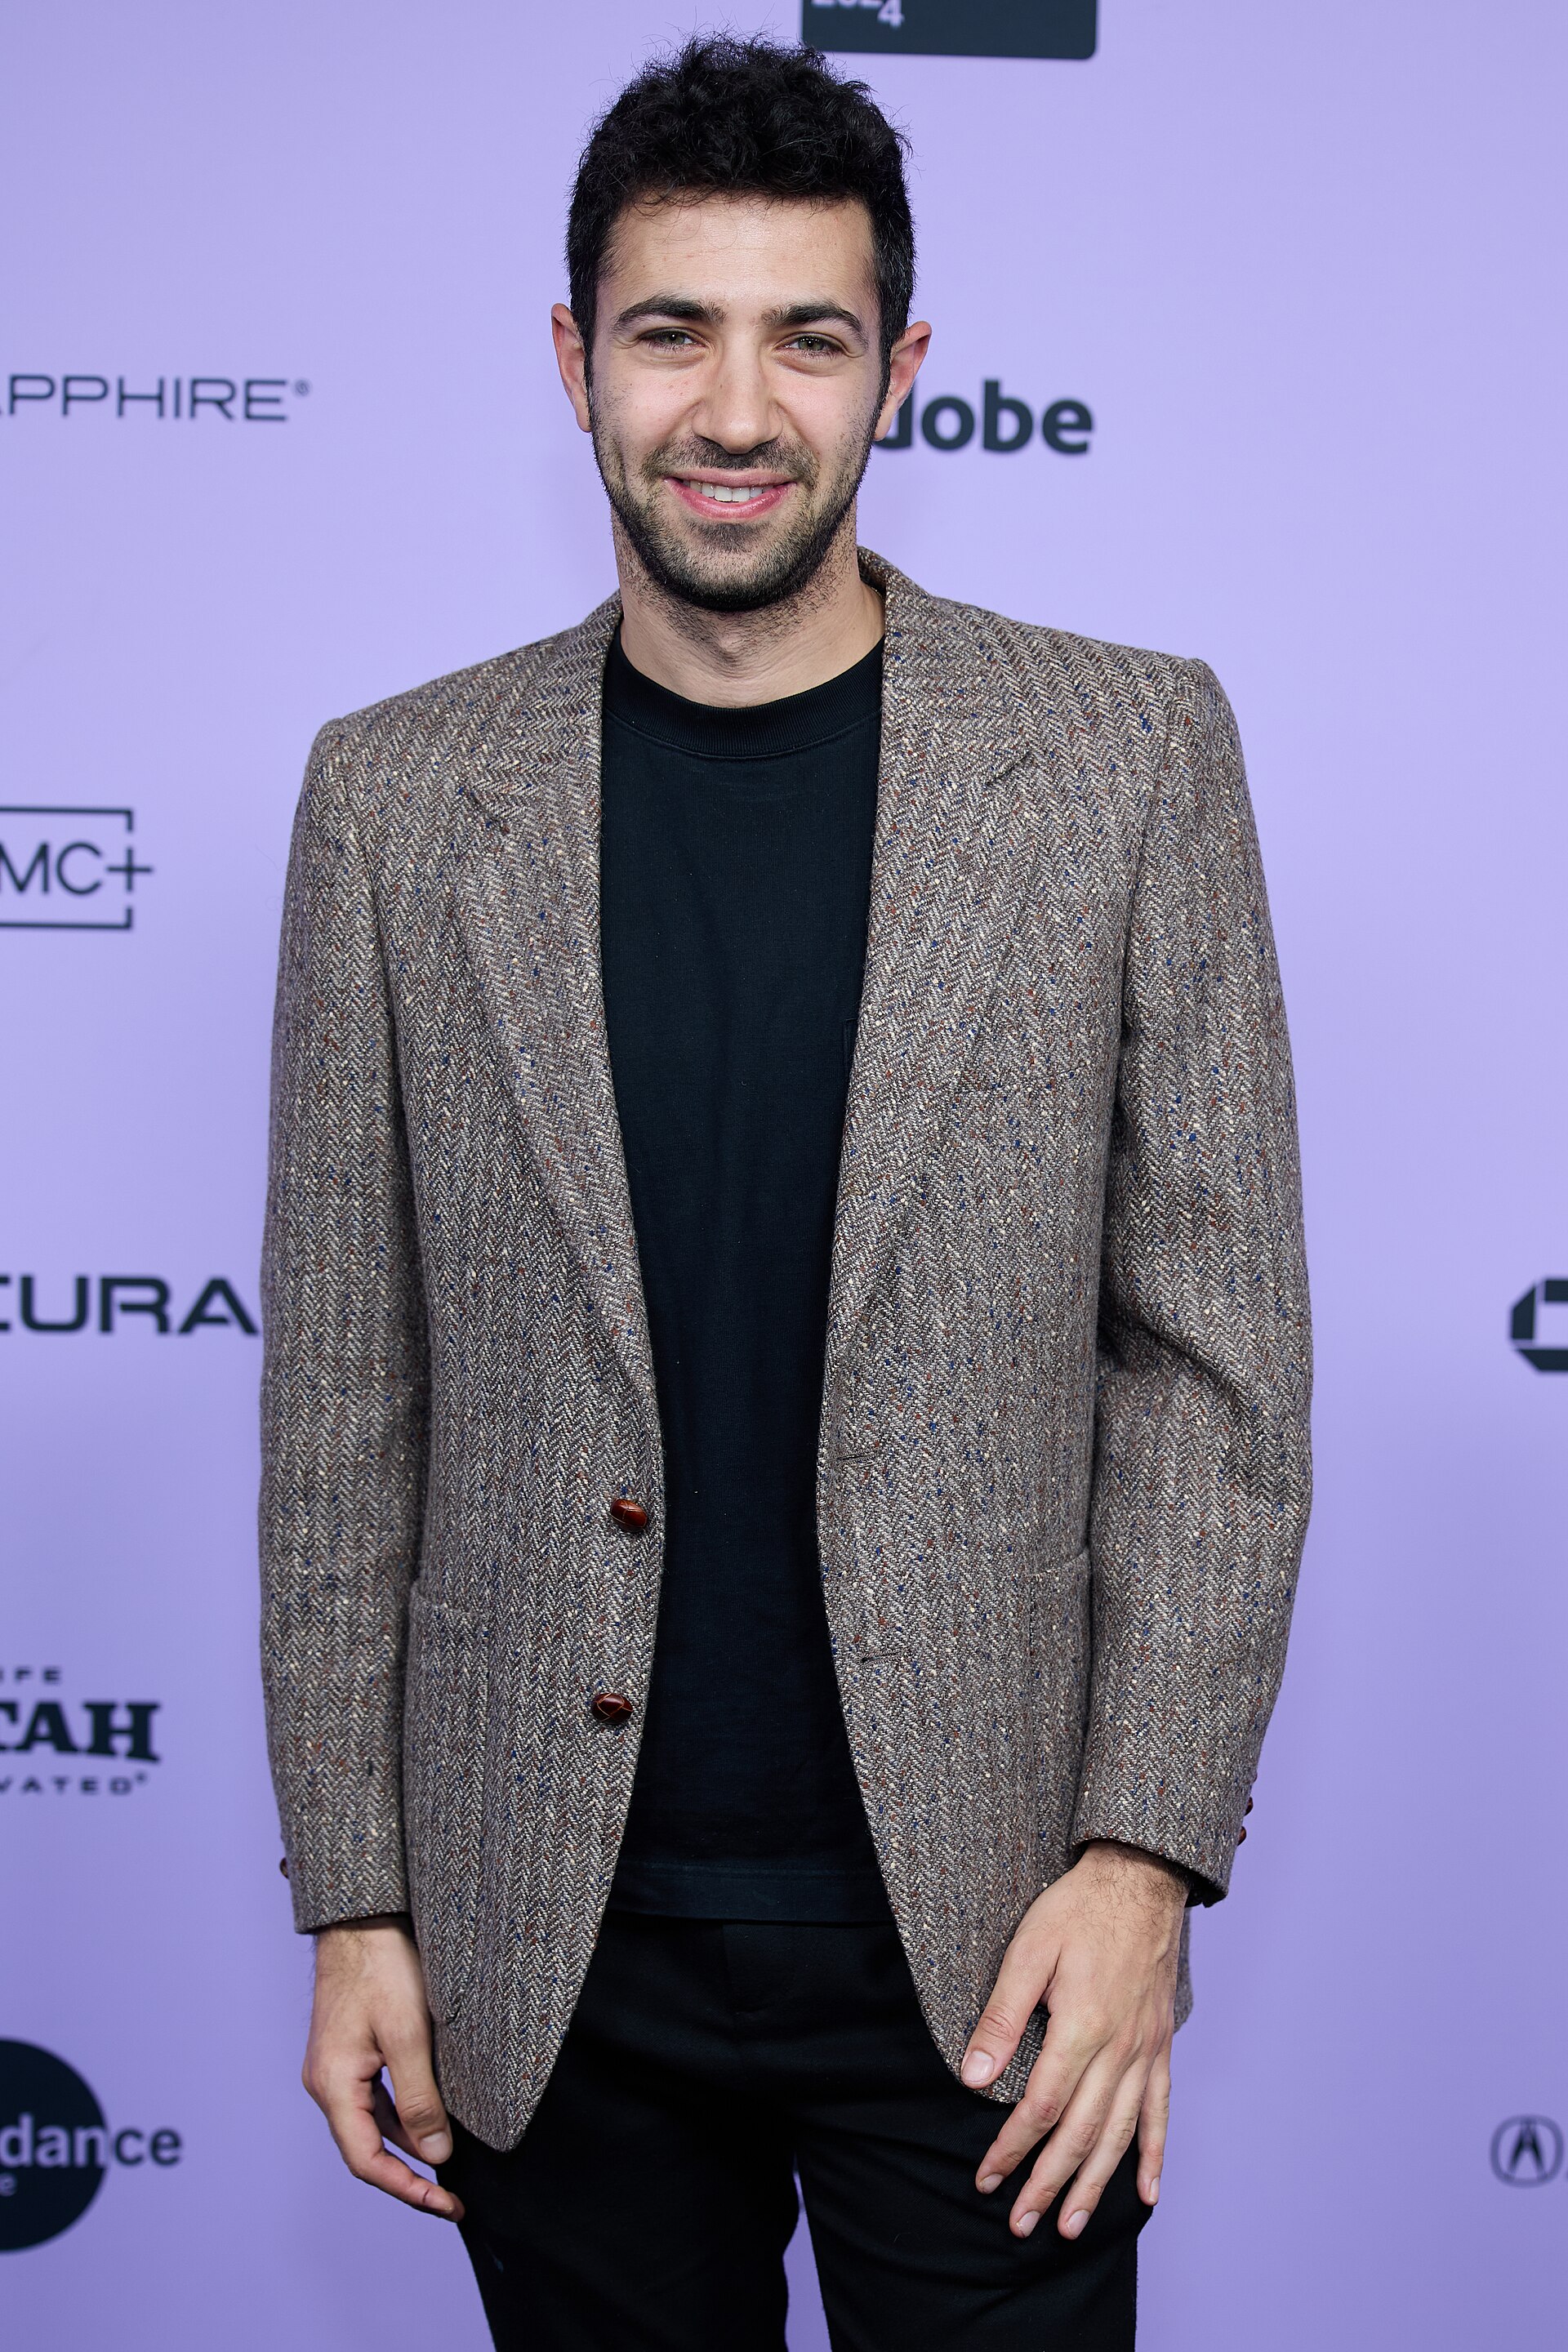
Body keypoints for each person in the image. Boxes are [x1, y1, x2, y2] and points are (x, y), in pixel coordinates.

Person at [260, 35, 1312, 2352]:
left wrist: (1145, 1863)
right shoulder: (396, 802)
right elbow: (347, 1401)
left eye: (806, 338)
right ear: (573, 362)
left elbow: (1217, 1374)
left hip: (996, 1950)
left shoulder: (1129, 758)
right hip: (548, 1954)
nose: (735, 408)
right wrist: (356, 1894)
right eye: (671, 332)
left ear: (898, 371)